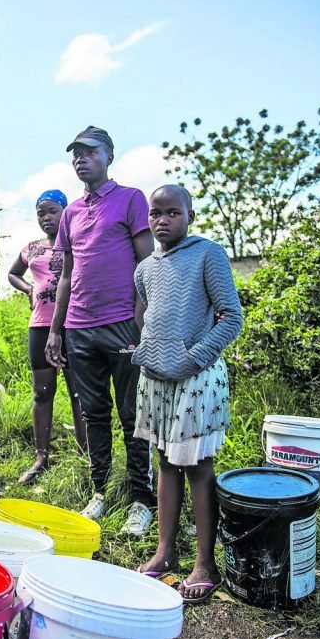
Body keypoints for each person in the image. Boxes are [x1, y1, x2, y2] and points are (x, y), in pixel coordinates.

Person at [131, 184, 243, 604]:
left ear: (190, 215)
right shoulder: (144, 269)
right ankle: (165, 551)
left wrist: (193, 357)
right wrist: (146, 351)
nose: (163, 220)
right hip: (157, 378)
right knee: (164, 462)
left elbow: (232, 317)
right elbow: (147, 317)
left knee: (197, 465)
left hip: (197, 377)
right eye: (155, 214)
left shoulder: (207, 254)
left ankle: (204, 562)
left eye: (172, 212)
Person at [45, 126, 155, 535]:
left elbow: (147, 267)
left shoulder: (130, 199)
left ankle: (141, 500)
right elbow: (67, 276)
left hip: (123, 324)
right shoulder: (71, 212)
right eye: (75, 153)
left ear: (109, 156)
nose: (80, 158)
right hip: (79, 328)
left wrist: (142, 323)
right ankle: (100, 491)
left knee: (132, 415)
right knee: (93, 414)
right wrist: (56, 331)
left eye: (89, 152)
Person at [8, 189, 86, 484]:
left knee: (79, 393)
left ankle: (85, 454)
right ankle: (41, 457)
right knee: (42, 392)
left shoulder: (78, 245)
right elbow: (13, 273)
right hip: (40, 326)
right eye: (41, 212)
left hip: (73, 324)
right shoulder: (32, 248)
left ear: (66, 212)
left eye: (52, 211)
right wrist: (28, 288)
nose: (46, 217)